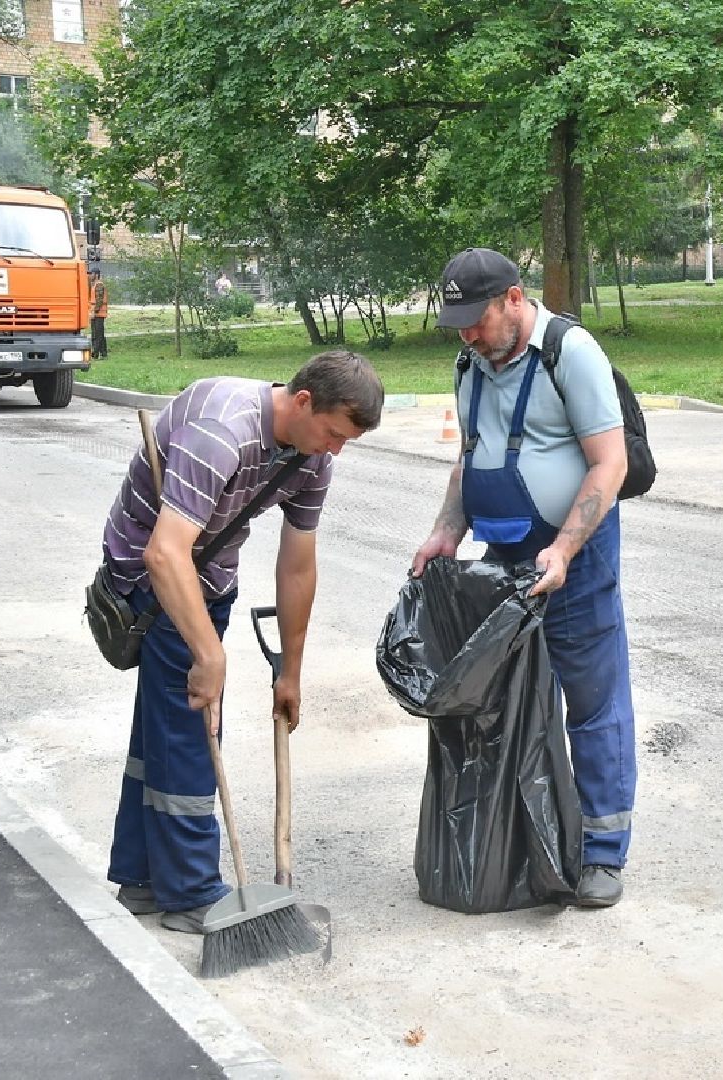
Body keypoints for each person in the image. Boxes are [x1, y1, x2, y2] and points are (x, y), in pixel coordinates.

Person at [101, 351, 385, 931]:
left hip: (207, 577)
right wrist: (209, 654)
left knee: (165, 725)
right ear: (302, 401)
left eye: (346, 441)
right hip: (150, 580)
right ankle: (191, 894)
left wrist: (291, 672)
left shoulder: (311, 460)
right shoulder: (221, 433)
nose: (335, 450)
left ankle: (145, 877)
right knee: (191, 728)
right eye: (333, 433)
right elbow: (164, 553)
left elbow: (298, 566)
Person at [411, 247, 636, 908]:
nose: (466, 334)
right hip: (502, 562)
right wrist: (447, 530)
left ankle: (602, 851)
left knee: (592, 702)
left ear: (512, 298)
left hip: (574, 556)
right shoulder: (471, 363)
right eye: (456, 322)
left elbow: (610, 464)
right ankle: (527, 841)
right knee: (505, 707)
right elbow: (469, 457)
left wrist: (565, 549)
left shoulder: (571, 353)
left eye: (475, 318)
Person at [89, 273, 108, 358]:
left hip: (99, 313)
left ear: (96, 275)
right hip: (96, 312)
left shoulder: (99, 285)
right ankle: (103, 353)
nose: (90, 276)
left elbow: (99, 300)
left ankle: (96, 354)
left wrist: (95, 312)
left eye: (91, 274)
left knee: (98, 334)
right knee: (99, 333)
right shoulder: (95, 285)